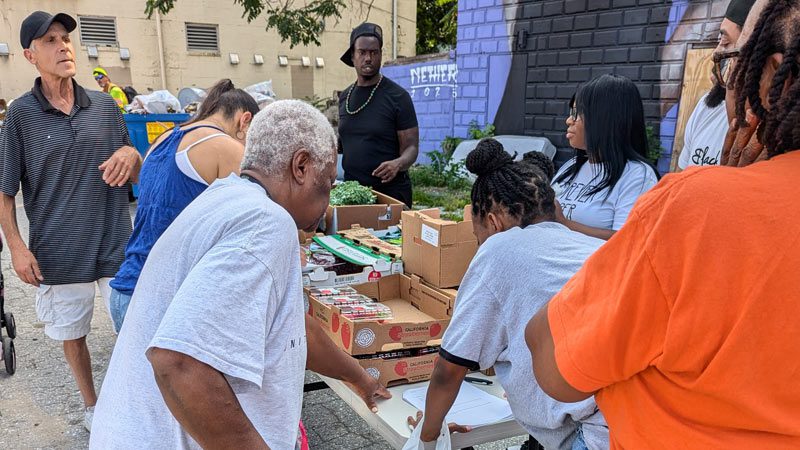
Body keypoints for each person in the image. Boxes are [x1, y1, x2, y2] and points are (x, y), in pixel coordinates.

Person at [525, 0, 800, 447]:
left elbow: (553, 365)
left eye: (732, 60)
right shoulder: (581, 170)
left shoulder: (690, 204)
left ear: (774, 77)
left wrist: (729, 192)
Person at [90, 100, 388, 449]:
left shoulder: (225, 197)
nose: (326, 207)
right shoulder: (266, 223)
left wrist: (361, 379)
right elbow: (179, 361)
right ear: (301, 166)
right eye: (327, 185)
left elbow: (294, 327)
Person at [408, 139, 608, 450]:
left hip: (596, 434)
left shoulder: (501, 248)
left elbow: (449, 369)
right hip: (643, 417)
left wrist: (428, 436)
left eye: (478, 237)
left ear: (493, 222)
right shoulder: (587, 246)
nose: (480, 246)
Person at [0, 11, 140, 431]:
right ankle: (93, 406)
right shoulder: (20, 117)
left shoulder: (103, 105)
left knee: (134, 329)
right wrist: (18, 248)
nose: (64, 46)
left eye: (66, 38)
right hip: (58, 251)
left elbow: (134, 167)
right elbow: (5, 192)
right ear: (30, 55)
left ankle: (138, 400)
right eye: (50, 41)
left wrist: (131, 156)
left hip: (116, 243)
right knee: (72, 332)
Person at [108, 79, 258, 332]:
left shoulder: (165, 138)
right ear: (244, 121)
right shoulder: (227, 147)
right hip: (161, 301)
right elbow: (252, 223)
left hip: (127, 289)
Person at [552, 74, 659, 240]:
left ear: (604, 119)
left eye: (576, 113)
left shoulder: (637, 175)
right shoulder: (571, 166)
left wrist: (564, 223)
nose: (568, 121)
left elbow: (627, 239)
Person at [338, 22, 419, 207]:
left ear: (380, 55)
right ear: (353, 55)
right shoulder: (345, 97)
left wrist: (398, 164)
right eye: (362, 52)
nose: (368, 58)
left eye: (374, 52)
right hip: (353, 195)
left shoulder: (398, 97)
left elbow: (412, 148)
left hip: (390, 195)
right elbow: (344, 144)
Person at [676, 0, 757, 171]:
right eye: (719, 40)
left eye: (726, 43)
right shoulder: (706, 107)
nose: (716, 53)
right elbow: (682, 177)